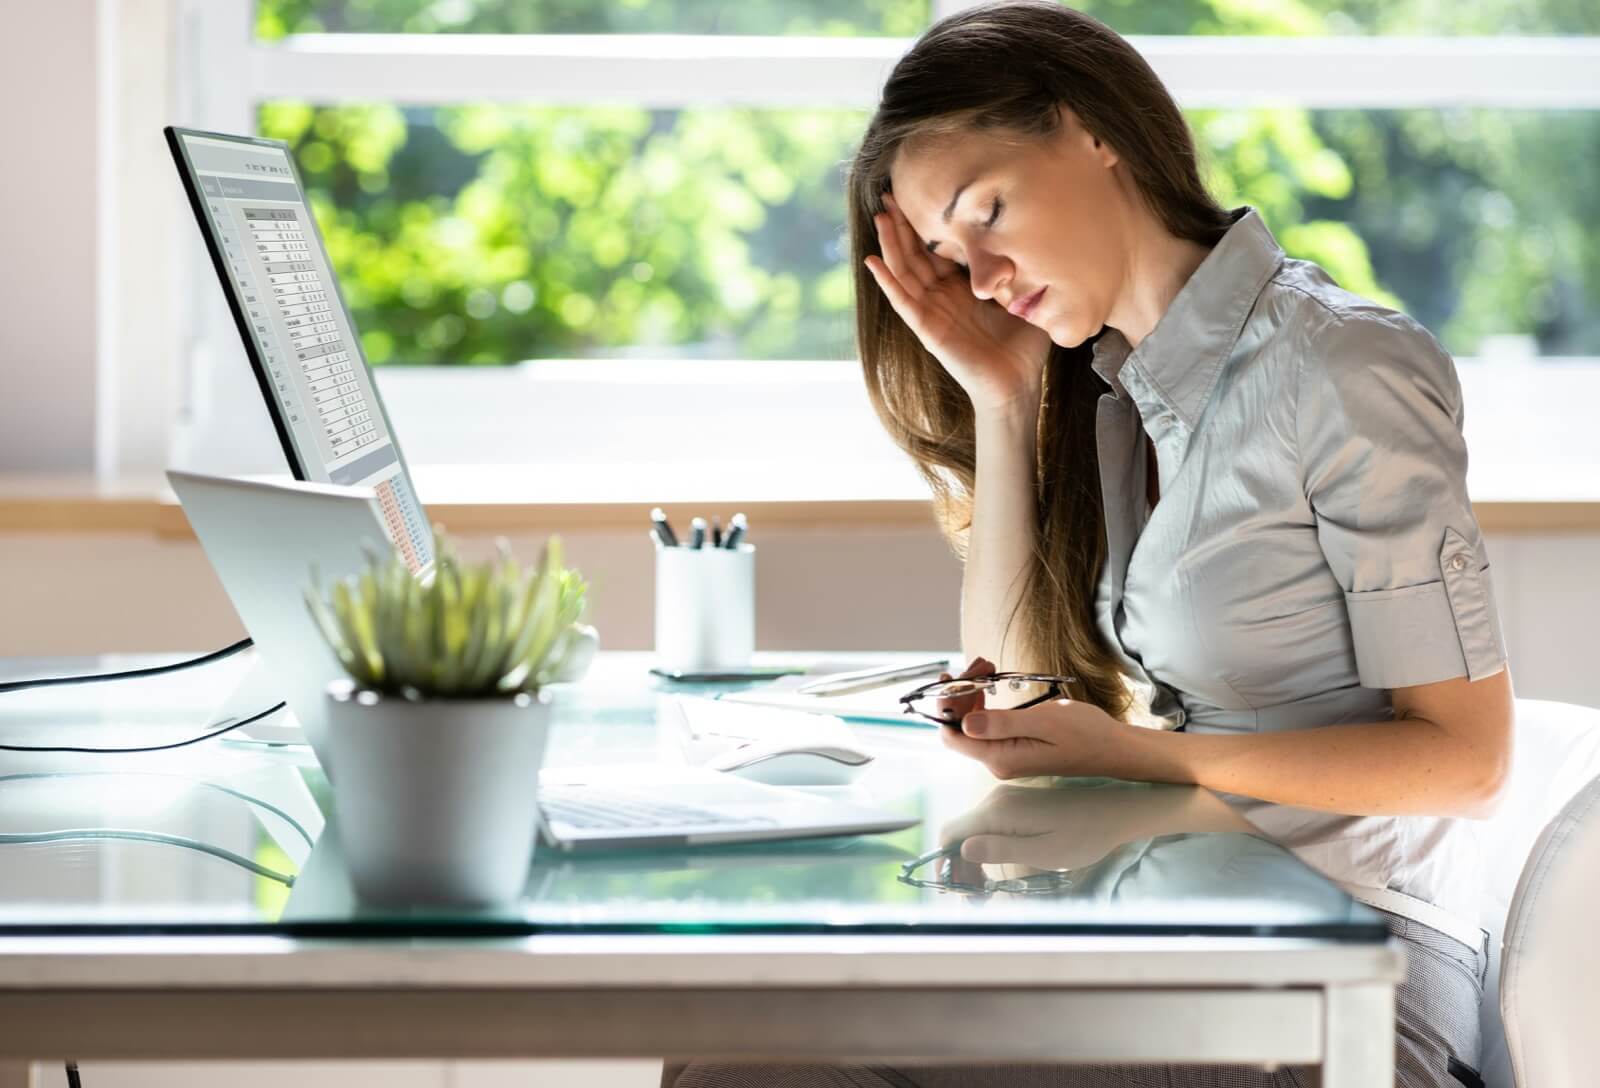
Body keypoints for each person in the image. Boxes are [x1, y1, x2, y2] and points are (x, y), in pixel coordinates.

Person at [668, 1, 1513, 1085]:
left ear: (1090, 130)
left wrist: (1142, 754)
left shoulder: (1341, 367)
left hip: (1350, 974)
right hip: (1204, 921)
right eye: (945, 253)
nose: (977, 277)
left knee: (760, 1063)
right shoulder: (1120, 390)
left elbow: (1467, 759)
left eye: (988, 211)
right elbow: (1017, 681)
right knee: (739, 1035)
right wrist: (1006, 397)